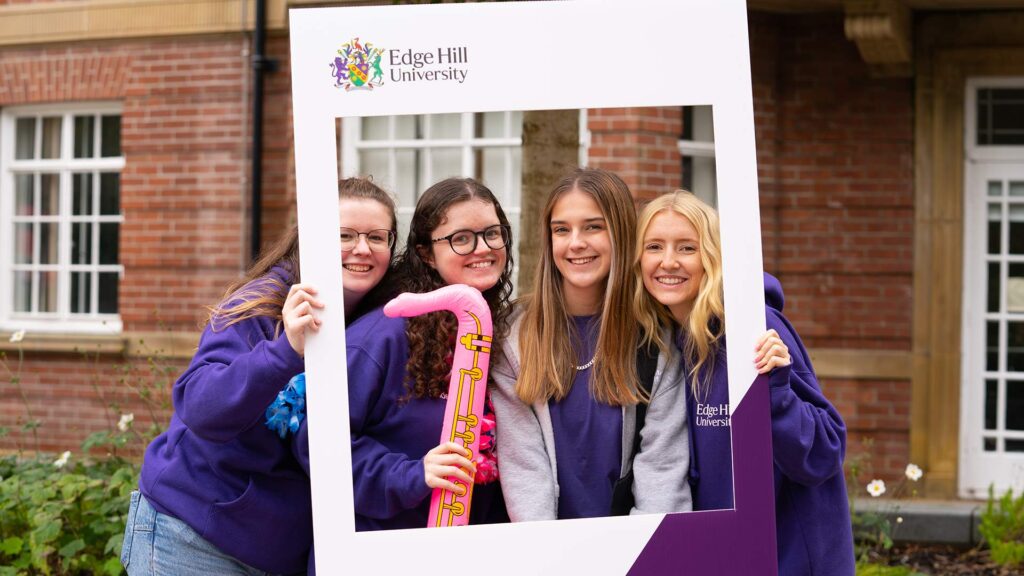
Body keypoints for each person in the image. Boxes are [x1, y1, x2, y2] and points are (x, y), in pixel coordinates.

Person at [121, 177, 396, 575]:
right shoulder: (262, 304)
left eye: (377, 236)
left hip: (277, 551)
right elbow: (199, 404)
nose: (362, 248)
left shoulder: (378, 323)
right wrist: (286, 352)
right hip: (194, 534)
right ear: (312, 238)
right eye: (345, 235)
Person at [633, 190, 855, 576]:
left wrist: (778, 395)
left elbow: (824, 452)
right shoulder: (664, 342)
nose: (668, 261)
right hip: (725, 555)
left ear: (713, 258)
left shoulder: (756, 326)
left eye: (687, 248)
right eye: (655, 246)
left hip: (790, 560)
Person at [490, 167, 691, 521]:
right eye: (561, 230)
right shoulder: (514, 336)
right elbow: (524, 469)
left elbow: (661, 472)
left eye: (593, 226)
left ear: (621, 233)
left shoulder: (655, 340)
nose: (575, 242)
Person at [342, 177, 513, 530]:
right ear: (425, 254)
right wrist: (412, 474)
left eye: (492, 234)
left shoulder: (505, 330)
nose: (482, 248)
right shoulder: (384, 333)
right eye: (461, 239)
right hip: (384, 552)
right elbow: (317, 441)